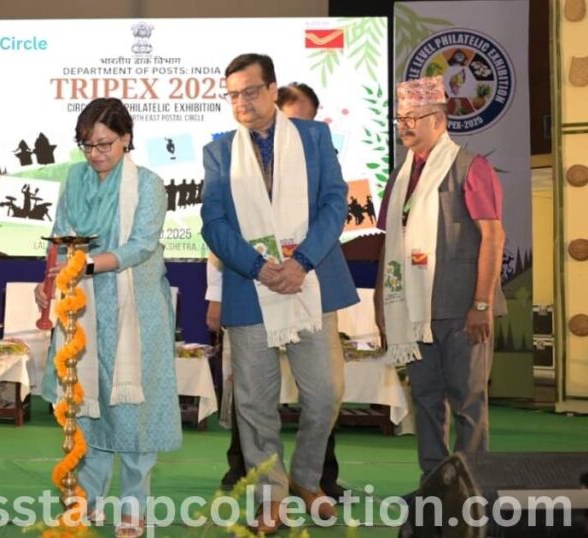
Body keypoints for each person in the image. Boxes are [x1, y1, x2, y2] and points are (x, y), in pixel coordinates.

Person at [201, 54, 358, 534]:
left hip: (311, 282)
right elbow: (213, 222)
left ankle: (306, 480)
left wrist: (300, 262)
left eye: (250, 92)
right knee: (253, 404)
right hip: (251, 288)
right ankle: (271, 498)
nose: (241, 102)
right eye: (233, 95)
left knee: (326, 394)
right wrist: (259, 268)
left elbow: (335, 203)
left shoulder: (314, 138)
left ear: (272, 90)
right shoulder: (219, 150)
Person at [35, 97, 180, 537]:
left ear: (126, 139)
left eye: (105, 144)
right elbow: (61, 236)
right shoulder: (74, 179)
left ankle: (134, 508)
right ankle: (89, 501)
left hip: (137, 311)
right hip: (82, 309)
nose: (96, 154)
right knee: (88, 407)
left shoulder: (149, 184)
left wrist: (88, 265)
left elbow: (141, 245)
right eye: (87, 145)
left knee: (134, 413)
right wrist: (50, 281)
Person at [375, 76, 505, 486]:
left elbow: (493, 237)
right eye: (400, 119)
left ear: (439, 119)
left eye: (413, 118)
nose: (405, 126)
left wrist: (481, 304)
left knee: (467, 402)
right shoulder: (400, 176)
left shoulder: (471, 166)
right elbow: (390, 245)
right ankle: (433, 487)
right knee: (426, 401)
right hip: (413, 309)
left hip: (462, 308)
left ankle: (472, 489)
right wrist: (382, 304)